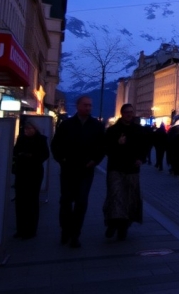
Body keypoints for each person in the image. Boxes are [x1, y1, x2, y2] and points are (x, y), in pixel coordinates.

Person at [51, 95, 105, 248]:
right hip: (68, 169)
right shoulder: (66, 125)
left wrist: (95, 160)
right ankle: (65, 230)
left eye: (90, 105)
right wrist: (62, 160)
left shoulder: (96, 126)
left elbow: (102, 146)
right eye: (85, 105)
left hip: (86, 171)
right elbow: (56, 145)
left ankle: (75, 234)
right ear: (78, 106)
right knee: (66, 201)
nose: (88, 108)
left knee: (81, 202)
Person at [102, 104, 145, 241]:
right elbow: (107, 149)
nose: (129, 114)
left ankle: (123, 226)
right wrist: (117, 144)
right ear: (122, 113)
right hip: (116, 168)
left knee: (130, 199)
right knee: (115, 197)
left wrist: (141, 158)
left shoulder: (138, 130)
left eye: (131, 112)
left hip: (132, 169)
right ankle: (112, 224)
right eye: (127, 112)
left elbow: (144, 147)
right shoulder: (113, 131)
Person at [12, 121, 49, 239]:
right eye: (26, 129)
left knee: (32, 200)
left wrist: (31, 156)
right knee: (20, 201)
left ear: (35, 129)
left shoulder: (41, 139)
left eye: (30, 129)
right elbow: (15, 151)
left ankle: (31, 229)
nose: (28, 131)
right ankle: (20, 229)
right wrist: (20, 155)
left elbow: (45, 154)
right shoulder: (21, 139)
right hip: (21, 172)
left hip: (34, 172)